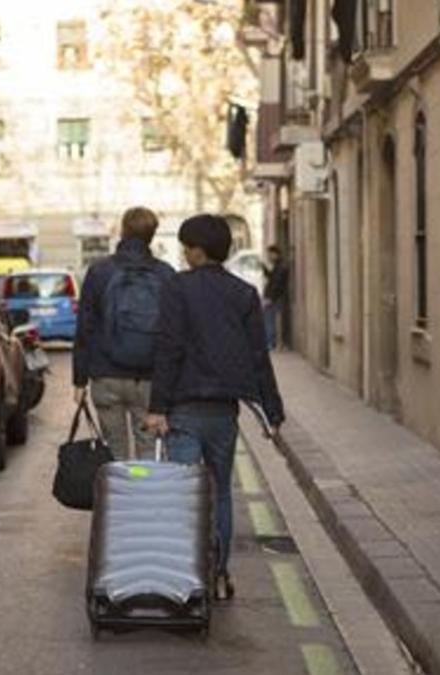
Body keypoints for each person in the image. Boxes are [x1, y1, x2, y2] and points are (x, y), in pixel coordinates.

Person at [145, 214, 285, 600]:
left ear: (196, 250)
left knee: (186, 494)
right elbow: (259, 356)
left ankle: (189, 576)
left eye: (187, 247)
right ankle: (219, 572)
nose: (185, 253)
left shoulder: (177, 288)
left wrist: (158, 407)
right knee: (220, 491)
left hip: (185, 409)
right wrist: (272, 413)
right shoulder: (243, 294)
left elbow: (169, 349)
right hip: (224, 412)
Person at [73, 207, 175, 460]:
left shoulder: (100, 272)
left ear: (122, 231)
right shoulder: (165, 274)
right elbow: (175, 335)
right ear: (152, 236)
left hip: (106, 376)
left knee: (114, 452)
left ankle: (119, 498)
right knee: (148, 450)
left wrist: (79, 380)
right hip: (150, 380)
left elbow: (85, 327)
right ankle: (143, 496)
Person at [262, 245, 289, 350]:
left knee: (272, 320)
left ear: (275, 254)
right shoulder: (277, 266)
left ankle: (274, 343)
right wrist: (265, 270)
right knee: (270, 320)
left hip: (276, 298)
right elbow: (272, 279)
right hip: (274, 298)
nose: (268, 257)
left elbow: (277, 285)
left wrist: (270, 299)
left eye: (270, 254)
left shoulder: (281, 267)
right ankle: (273, 343)